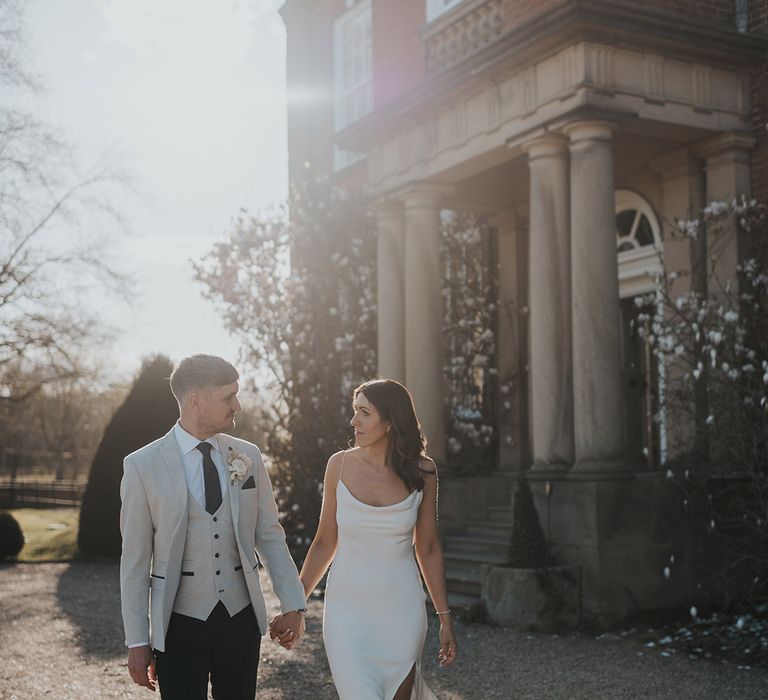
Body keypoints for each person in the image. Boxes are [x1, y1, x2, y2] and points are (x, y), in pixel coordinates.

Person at [120, 354, 307, 699]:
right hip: (178, 623)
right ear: (196, 400)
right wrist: (137, 641)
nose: (237, 405)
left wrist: (293, 605)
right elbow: (134, 561)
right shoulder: (142, 466)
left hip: (240, 619)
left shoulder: (247, 455)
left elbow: (269, 535)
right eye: (228, 397)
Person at [273, 378, 458, 699]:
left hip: (402, 612)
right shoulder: (339, 465)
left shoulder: (423, 471)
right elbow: (324, 543)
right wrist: (295, 605)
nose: (353, 421)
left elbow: (428, 548)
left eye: (364, 413)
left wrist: (444, 618)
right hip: (347, 615)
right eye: (354, 411)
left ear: (389, 421)